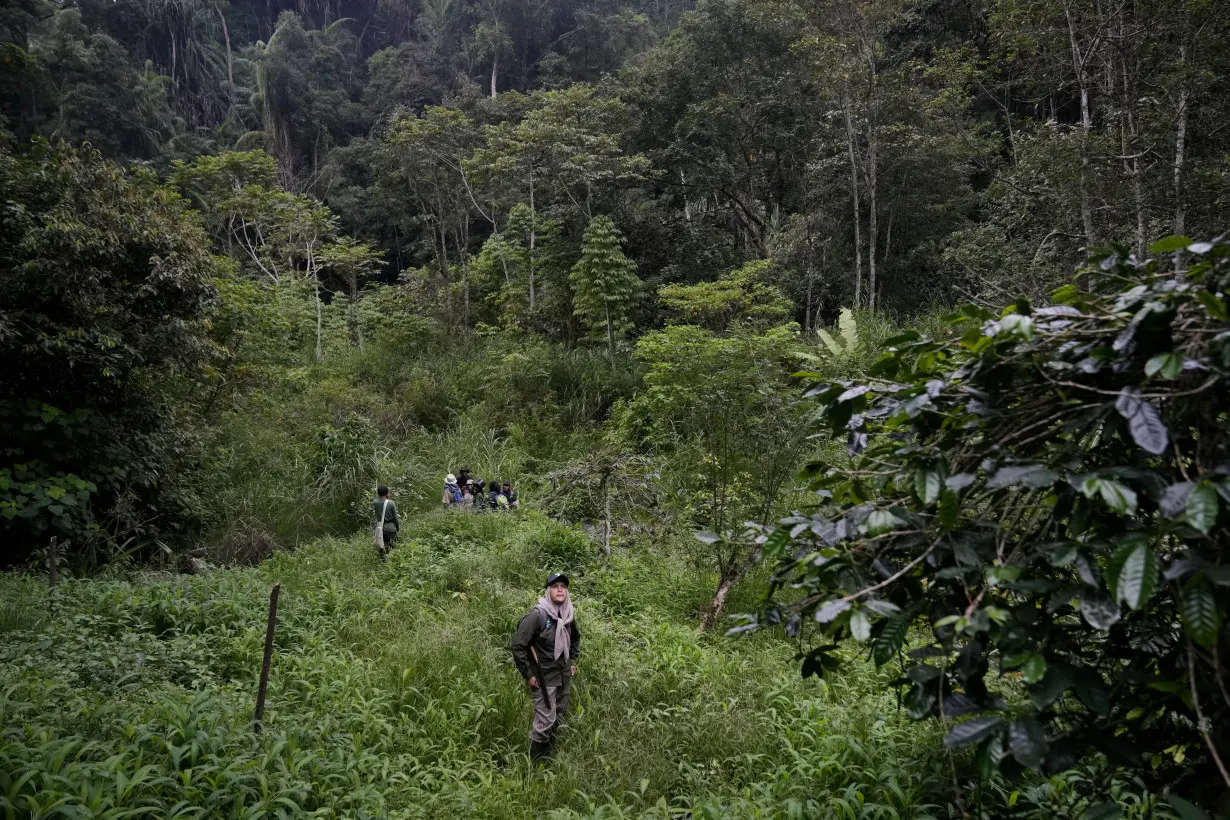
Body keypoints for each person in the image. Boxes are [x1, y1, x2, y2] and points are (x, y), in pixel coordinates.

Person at [511, 573, 581, 764]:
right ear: (548, 590)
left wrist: (572, 660)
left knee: (558, 716)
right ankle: (534, 767)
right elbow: (518, 645)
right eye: (555, 586)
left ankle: (548, 758)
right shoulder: (538, 615)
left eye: (563, 587)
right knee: (545, 722)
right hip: (544, 677)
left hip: (564, 675)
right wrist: (528, 674)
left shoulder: (568, 615)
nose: (560, 589)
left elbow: (575, 638)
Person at [373, 485, 399, 559]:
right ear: (387, 493)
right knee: (392, 546)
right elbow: (395, 518)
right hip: (390, 528)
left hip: (379, 528)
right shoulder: (391, 503)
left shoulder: (375, 503)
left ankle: (383, 561)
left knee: (381, 546)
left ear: (378, 494)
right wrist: (397, 527)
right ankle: (392, 560)